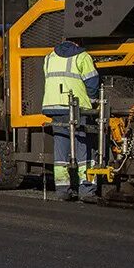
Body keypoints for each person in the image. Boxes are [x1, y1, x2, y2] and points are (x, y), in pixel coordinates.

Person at [43, 40, 100, 202]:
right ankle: (87, 189)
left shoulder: (49, 57)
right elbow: (92, 81)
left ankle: (62, 190)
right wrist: (92, 99)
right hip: (77, 108)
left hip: (54, 107)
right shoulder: (82, 56)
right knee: (84, 147)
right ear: (77, 43)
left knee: (61, 148)